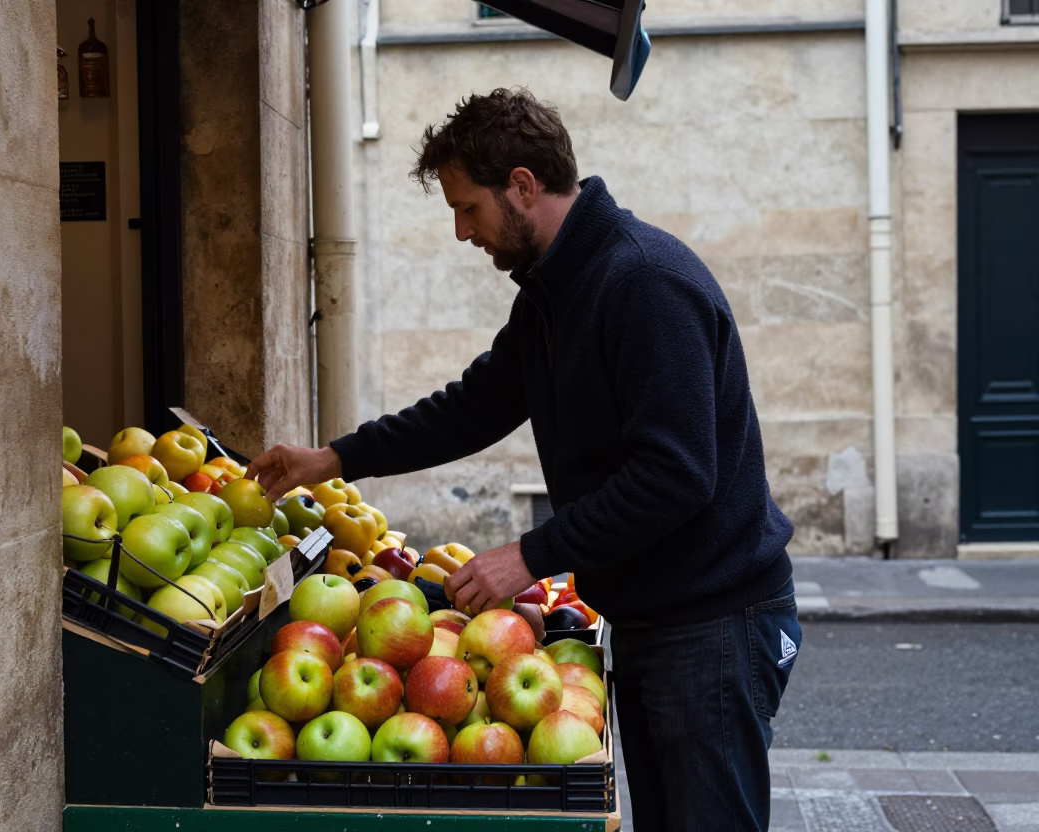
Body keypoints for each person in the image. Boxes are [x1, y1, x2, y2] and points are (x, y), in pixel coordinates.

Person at [246, 87, 800, 831]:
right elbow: (471, 407)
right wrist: (334, 458)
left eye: (468, 208)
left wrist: (530, 556)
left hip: (713, 623)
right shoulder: (552, 293)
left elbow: (676, 475)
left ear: (522, 185)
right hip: (655, 618)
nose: (460, 231)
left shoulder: (644, 283)